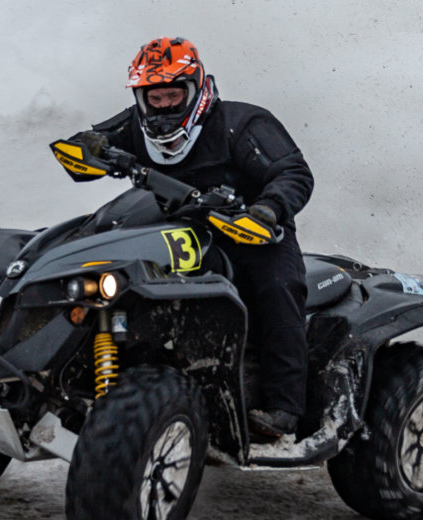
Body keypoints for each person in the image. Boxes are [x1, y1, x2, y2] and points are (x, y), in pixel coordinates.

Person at [72, 37, 315, 440]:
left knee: (278, 287)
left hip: (251, 234)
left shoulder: (243, 124)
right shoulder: (136, 124)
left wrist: (268, 209)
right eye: (156, 97)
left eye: (173, 94)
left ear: (196, 89)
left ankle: (284, 407)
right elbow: (93, 145)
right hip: (172, 232)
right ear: (142, 98)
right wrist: (88, 147)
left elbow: (294, 173)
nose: (164, 105)